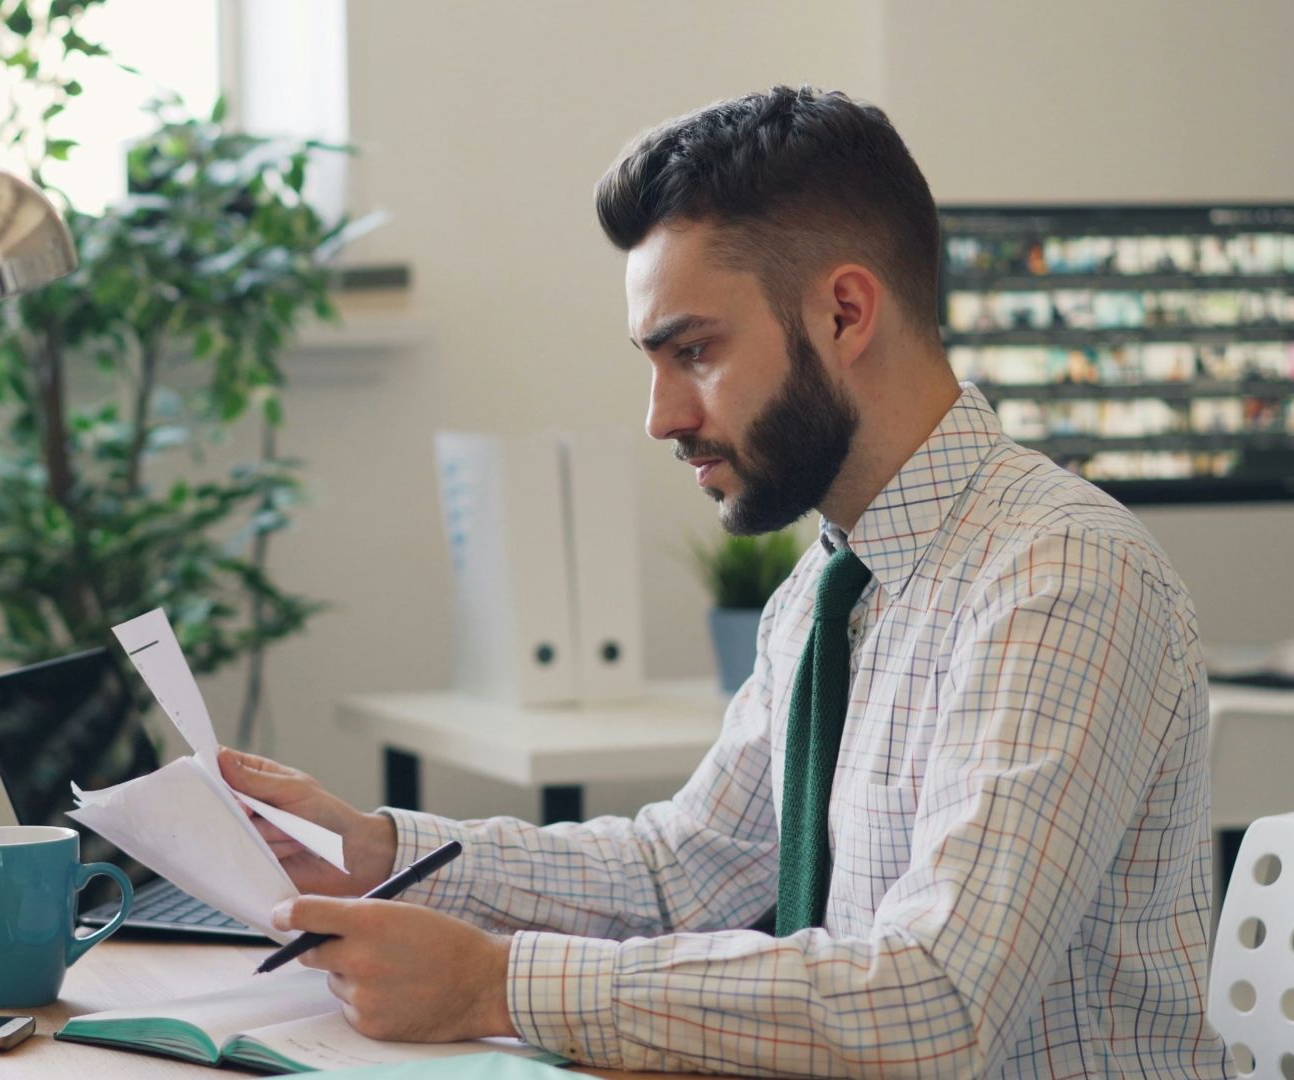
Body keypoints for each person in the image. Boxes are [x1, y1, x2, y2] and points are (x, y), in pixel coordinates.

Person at [219, 85, 1233, 1078]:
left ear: (844, 312)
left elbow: (939, 1004)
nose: (661, 417)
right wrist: (381, 850)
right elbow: (682, 873)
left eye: (693, 351)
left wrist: (499, 986)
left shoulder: (1060, 576)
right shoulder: (830, 587)